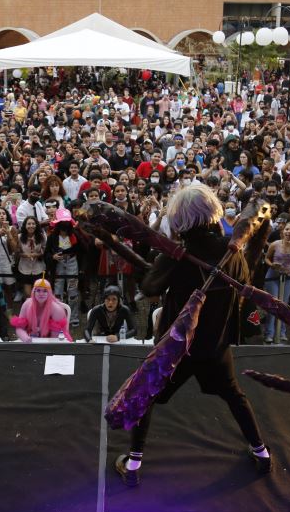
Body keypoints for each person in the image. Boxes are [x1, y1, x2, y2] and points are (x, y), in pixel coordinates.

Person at [115, 183, 271, 487]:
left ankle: (133, 465)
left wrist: (155, 263)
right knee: (234, 395)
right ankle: (262, 454)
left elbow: (149, 288)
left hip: (178, 348)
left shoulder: (178, 255)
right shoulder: (232, 250)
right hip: (215, 344)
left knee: (145, 397)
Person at [11, 277, 72, 342]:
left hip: (53, 342)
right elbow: (19, 328)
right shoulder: (26, 305)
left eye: (45, 291)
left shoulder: (56, 309)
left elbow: (55, 337)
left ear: (49, 293)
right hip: (31, 340)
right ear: (33, 292)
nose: (41, 294)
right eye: (38, 290)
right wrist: (25, 337)